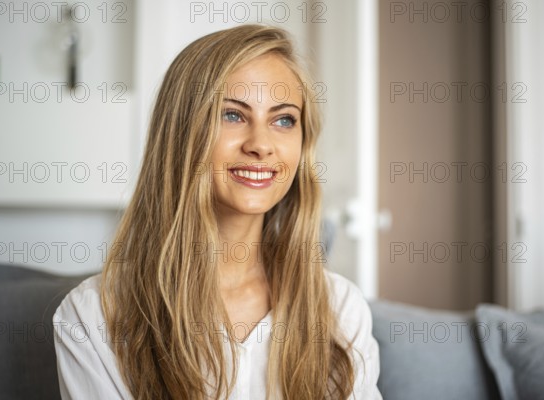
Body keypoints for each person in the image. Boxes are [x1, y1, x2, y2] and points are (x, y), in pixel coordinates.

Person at [53, 24, 381, 399]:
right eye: (233, 115)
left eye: (284, 119)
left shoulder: (341, 308)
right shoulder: (93, 316)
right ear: (181, 132)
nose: (261, 145)